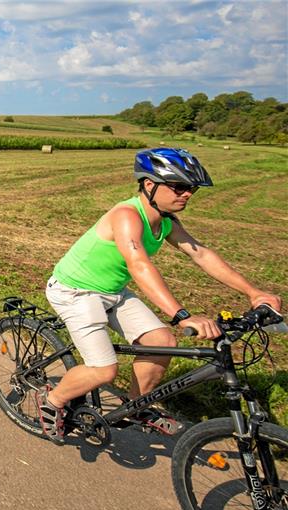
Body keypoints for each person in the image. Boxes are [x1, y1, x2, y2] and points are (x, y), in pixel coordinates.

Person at [40, 147, 282, 443]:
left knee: (161, 342)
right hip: (76, 291)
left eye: (191, 188)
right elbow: (139, 264)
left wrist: (253, 292)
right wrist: (181, 315)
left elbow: (201, 254)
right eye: (179, 186)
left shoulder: (166, 220)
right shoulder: (127, 215)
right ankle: (52, 402)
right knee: (103, 370)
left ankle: (135, 407)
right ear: (150, 185)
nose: (188, 194)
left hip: (112, 290)